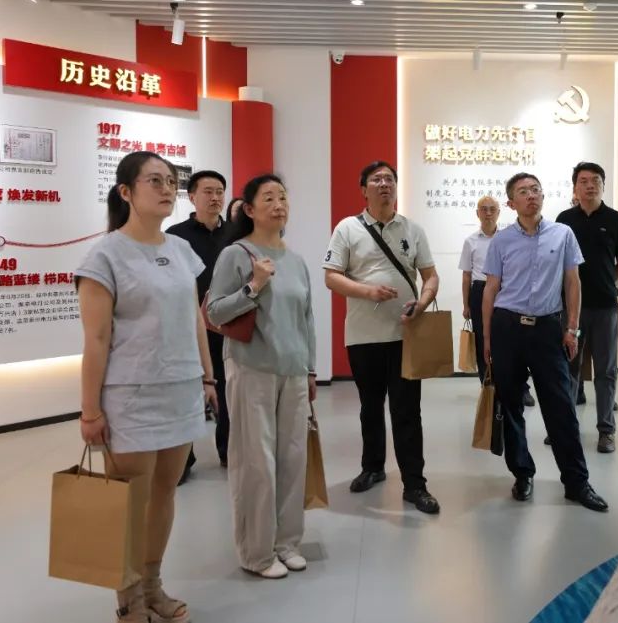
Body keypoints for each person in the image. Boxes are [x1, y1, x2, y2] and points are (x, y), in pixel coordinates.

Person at [76, 151, 219, 623]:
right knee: (130, 501)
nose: (166, 189)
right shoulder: (105, 255)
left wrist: (207, 376)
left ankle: (153, 585)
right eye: (154, 181)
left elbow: (194, 319)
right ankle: (128, 597)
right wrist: (90, 410)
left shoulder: (180, 250)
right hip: (131, 394)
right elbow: (96, 339)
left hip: (181, 389)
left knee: (165, 493)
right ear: (126, 192)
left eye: (170, 182)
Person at [207, 174, 317, 579]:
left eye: (282, 197)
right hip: (251, 368)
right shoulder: (236, 254)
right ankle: (256, 552)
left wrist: (310, 368)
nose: (278, 204)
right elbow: (214, 312)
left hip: (293, 371)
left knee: (293, 460)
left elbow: (307, 319)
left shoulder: (297, 261)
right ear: (250, 209)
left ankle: (287, 543)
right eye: (268, 198)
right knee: (256, 462)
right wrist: (253, 285)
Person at [481, 172, 609, 513]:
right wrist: (488, 338)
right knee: (510, 406)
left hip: (548, 329)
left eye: (535, 189)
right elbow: (491, 289)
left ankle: (577, 482)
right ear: (511, 203)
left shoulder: (562, 234)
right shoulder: (501, 241)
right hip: (508, 327)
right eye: (523, 191)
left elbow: (573, 282)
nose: (531, 195)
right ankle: (522, 473)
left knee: (561, 407)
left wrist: (572, 328)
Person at [323, 160, 441, 515]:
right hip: (363, 335)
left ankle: (415, 484)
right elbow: (331, 276)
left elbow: (431, 276)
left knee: (407, 411)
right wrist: (367, 291)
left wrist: (422, 302)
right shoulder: (347, 228)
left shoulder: (412, 229)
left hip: (406, 334)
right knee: (370, 407)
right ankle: (372, 467)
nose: (384, 184)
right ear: (364, 189)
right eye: (376, 180)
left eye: (389, 179)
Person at [556, 162, 618, 453]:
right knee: (568, 369)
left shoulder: (615, 219)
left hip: (604, 307)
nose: (590, 185)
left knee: (605, 371)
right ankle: (566, 428)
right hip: (569, 308)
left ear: (603, 185)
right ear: (575, 187)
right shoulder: (564, 220)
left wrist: (606, 282)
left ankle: (606, 431)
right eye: (584, 181)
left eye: (596, 180)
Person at [167, 170, 229, 480]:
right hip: (189, 326)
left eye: (219, 191)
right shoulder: (175, 236)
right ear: (192, 197)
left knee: (228, 390)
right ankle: (183, 459)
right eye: (208, 191)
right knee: (189, 392)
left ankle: (229, 449)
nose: (215, 197)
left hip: (228, 325)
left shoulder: (235, 234)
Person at [459, 197, 536, 406]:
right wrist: (466, 304)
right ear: (477, 213)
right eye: (483, 209)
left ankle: (522, 389)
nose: (488, 213)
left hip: (505, 290)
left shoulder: (508, 238)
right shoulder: (470, 241)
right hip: (479, 290)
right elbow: (466, 276)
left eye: (492, 209)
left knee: (512, 339)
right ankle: (488, 388)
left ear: (499, 213)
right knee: (482, 342)